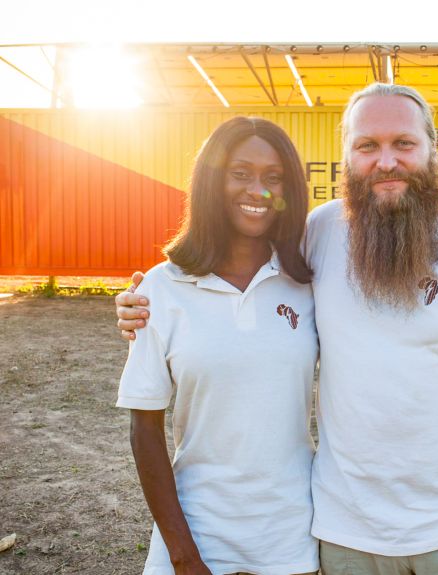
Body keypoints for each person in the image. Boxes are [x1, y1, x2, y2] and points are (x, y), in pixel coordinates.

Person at [117, 83, 438, 575]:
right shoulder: (318, 235)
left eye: (404, 144)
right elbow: (232, 267)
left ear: (434, 150)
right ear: (347, 157)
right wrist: (143, 299)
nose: (385, 161)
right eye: (367, 146)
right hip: (343, 534)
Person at [116, 116, 319, 575]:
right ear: (211, 180)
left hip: (289, 535)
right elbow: (144, 431)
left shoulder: (307, 282)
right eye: (240, 173)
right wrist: (184, 557)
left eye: (274, 177)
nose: (257, 190)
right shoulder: (160, 289)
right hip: (196, 531)